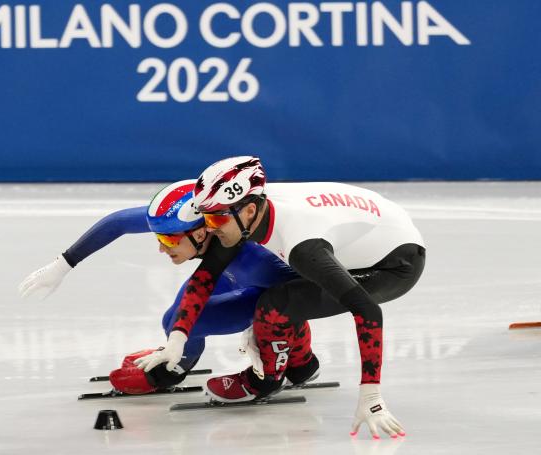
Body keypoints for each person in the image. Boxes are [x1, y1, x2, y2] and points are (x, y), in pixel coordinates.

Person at [134, 157, 425, 439]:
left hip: (394, 266)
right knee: (281, 289)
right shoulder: (240, 213)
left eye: (214, 217)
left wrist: (371, 394)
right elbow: (206, 276)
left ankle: (266, 380)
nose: (209, 227)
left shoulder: (303, 246)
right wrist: (177, 339)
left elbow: (367, 310)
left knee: (277, 303)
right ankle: (301, 363)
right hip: (371, 227)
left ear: (248, 211)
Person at [18, 180, 300, 393]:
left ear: (201, 232)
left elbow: (303, 294)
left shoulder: (256, 260)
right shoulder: (191, 220)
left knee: (188, 319)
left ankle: (298, 363)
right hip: (228, 272)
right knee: (174, 321)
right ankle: (178, 362)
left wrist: (263, 330)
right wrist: (63, 264)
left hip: (270, 286)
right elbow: (118, 223)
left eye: (168, 241)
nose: (161, 249)